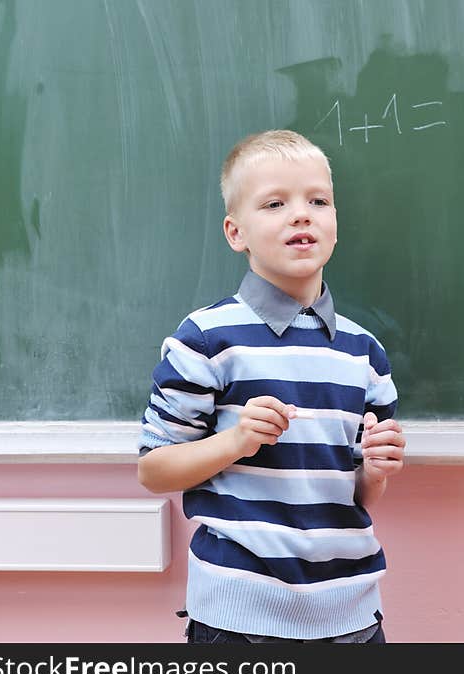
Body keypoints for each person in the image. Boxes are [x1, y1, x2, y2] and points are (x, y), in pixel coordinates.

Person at [137, 129, 406, 643]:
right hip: (240, 616)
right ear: (236, 233)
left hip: (350, 614)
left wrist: (376, 468)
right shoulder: (207, 339)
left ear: (334, 223)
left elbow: (360, 496)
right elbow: (154, 469)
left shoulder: (363, 351)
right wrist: (236, 439)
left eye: (318, 200)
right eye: (275, 203)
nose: (301, 214)